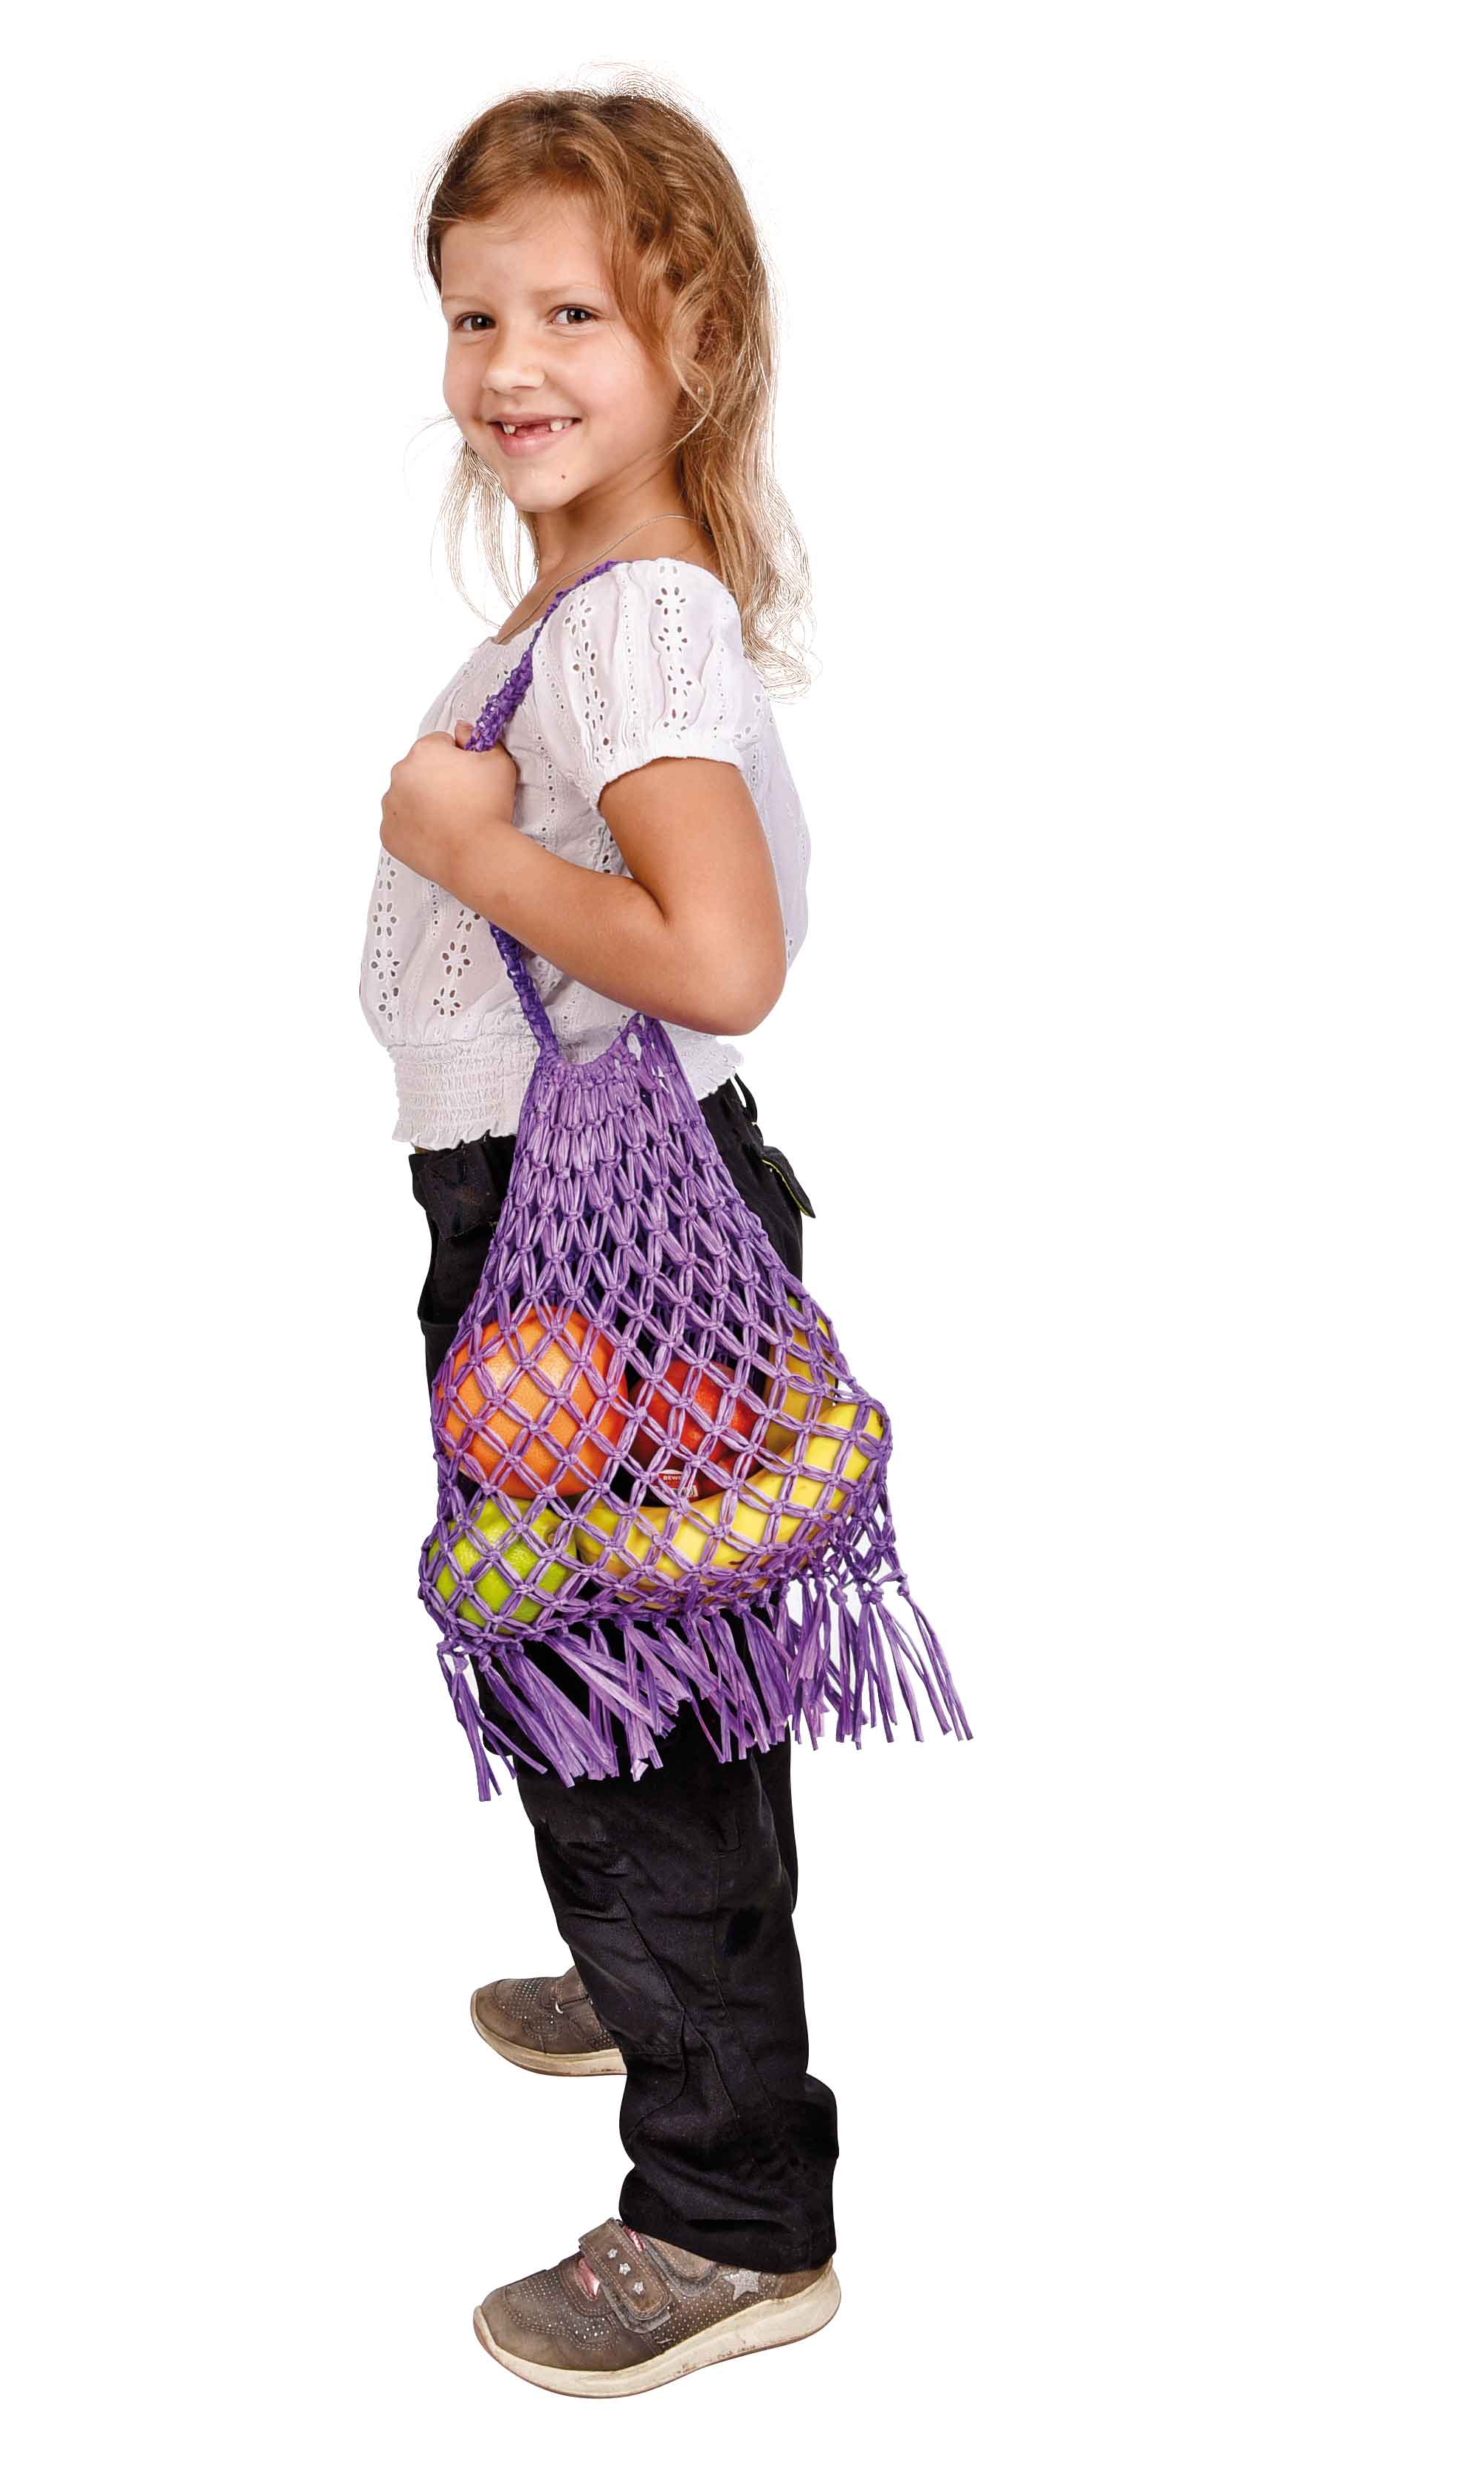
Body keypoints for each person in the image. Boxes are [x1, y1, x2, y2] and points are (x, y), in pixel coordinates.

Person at [359, 86, 945, 2399]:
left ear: (693, 335)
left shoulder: (633, 631)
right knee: (640, 1657)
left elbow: (717, 957)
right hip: (589, 1221)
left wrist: (465, 850)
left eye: (570, 313)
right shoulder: (603, 607)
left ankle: (726, 2204)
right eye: (470, 314)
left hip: (585, 1247)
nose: (508, 361)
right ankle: (652, 1961)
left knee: (627, 1697)